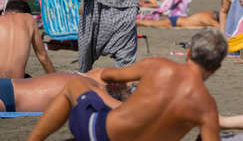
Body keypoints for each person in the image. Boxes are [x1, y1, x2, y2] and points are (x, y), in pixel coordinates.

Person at [28, 30, 228, 141]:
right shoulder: (207, 107)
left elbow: (107, 75)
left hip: (100, 134)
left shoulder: (158, 67)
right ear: (216, 68)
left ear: (188, 52)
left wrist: (115, 87)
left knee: (74, 85)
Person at [0, 69, 120, 113]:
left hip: (9, 85)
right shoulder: (90, 88)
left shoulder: (85, 76)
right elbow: (121, 109)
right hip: (11, 99)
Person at [0, 0, 55, 78]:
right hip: (16, 85)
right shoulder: (29, 19)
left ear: (5, 12)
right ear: (27, 13)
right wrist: (55, 79)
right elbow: (42, 56)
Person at [137, 10, 220, 28]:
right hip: (176, 22)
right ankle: (135, 22)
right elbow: (220, 27)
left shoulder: (206, 14)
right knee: (150, 23)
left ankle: (137, 22)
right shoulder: (208, 18)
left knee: (152, 23)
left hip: (177, 20)